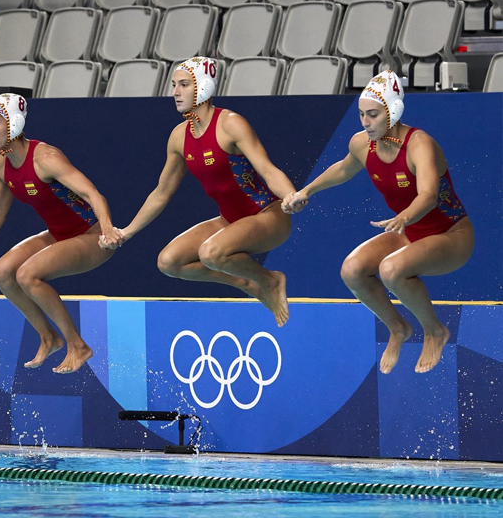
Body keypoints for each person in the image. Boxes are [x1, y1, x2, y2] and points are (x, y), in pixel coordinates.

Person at [283, 71, 472, 374]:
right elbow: (343, 169)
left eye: (372, 115)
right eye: (361, 115)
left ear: (393, 110)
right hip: (408, 231)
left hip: (451, 235)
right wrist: (306, 191)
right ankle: (398, 328)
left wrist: (403, 217)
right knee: (352, 270)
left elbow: (428, 196)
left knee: (391, 269)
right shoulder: (362, 144)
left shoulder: (419, 144)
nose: (365, 122)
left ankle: (435, 331)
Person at [0, 94, 122, 373]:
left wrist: (107, 229)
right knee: (3, 272)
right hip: (59, 233)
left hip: (91, 235)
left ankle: (77, 345)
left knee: (26, 274)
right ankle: (49, 338)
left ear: (13, 123)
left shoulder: (46, 158)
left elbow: (93, 194)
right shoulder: (0, 166)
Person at [112, 57, 297, 326]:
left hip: (268, 215)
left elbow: (268, 169)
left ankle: (270, 280)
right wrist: (127, 231)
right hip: (229, 220)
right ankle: (248, 283)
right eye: (174, 85)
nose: (175, 92)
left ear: (204, 86)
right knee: (169, 262)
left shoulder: (230, 124)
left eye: (184, 84)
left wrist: (291, 195)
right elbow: (162, 192)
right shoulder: (179, 136)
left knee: (210, 252)